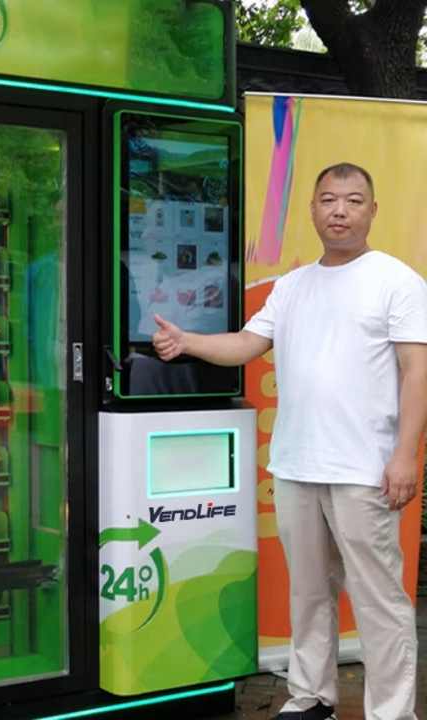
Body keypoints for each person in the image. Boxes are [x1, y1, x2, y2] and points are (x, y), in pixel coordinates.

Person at [152, 162, 427, 720]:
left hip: (364, 469)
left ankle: (391, 712)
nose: (340, 211)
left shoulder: (397, 281)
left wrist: (405, 455)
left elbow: (416, 371)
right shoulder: (293, 286)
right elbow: (246, 344)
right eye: (328, 199)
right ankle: (311, 697)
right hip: (297, 464)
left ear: (373, 210)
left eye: (353, 200)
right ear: (312, 209)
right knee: (308, 592)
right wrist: (187, 342)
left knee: (379, 600)